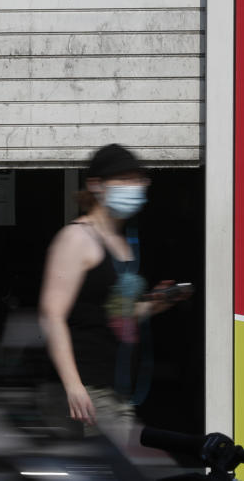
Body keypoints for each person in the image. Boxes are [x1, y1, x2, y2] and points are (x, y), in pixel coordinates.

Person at [38, 144, 189, 446]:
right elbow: (51, 315)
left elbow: (115, 315)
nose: (133, 187)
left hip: (118, 393)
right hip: (90, 393)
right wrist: (74, 386)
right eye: (123, 179)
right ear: (96, 185)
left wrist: (157, 304)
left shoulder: (121, 242)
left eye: (137, 179)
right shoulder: (77, 239)